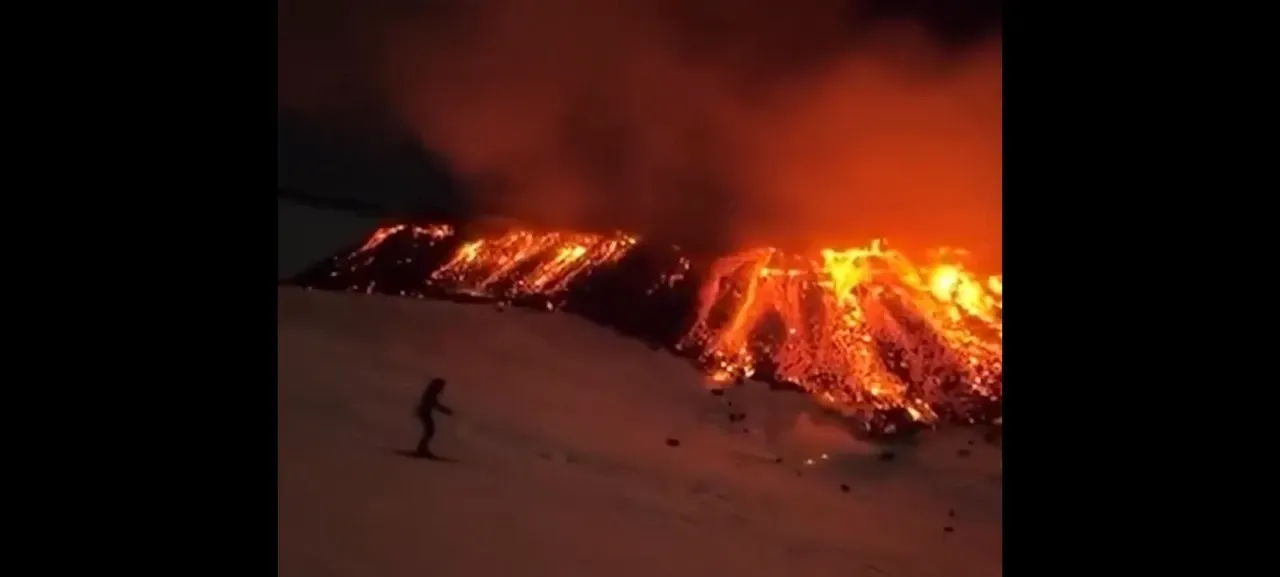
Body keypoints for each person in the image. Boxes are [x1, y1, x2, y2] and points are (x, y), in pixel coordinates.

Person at [415, 377, 455, 459]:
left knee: (429, 431)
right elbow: (433, 404)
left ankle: (422, 448)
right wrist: (445, 410)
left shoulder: (431, 391)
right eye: (441, 386)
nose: (442, 388)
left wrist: (444, 410)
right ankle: (422, 449)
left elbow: (433, 403)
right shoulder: (432, 392)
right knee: (430, 431)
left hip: (424, 412)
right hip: (424, 413)